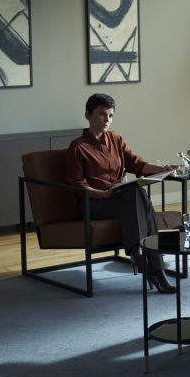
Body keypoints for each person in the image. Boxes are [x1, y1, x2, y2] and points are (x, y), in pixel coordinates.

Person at [66, 93, 177, 293]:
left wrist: (163, 169)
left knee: (137, 194)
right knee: (140, 199)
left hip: (119, 198)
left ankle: (140, 256)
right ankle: (155, 269)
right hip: (93, 202)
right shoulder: (78, 147)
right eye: (102, 114)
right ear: (88, 115)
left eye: (110, 115)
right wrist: (102, 194)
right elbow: (77, 185)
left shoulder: (115, 139)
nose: (107, 120)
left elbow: (136, 164)